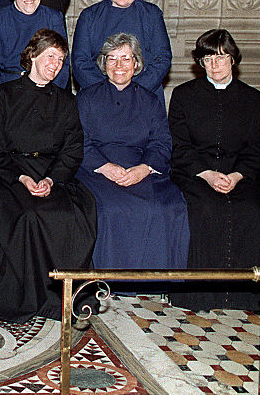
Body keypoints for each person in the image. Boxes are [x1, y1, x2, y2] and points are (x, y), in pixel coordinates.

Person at [0, 28, 96, 321]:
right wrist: (22, 178)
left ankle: (64, 300)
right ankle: (27, 299)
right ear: (32, 55)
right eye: (50, 56)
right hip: (8, 173)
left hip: (52, 173)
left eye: (61, 59)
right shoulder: (1, 95)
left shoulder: (67, 101)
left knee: (74, 214)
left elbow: (72, 150)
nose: (56, 64)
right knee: (27, 215)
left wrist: (52, 179)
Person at [167, 29, 260, 311]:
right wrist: (207, 174)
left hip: (242, 174)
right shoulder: (183, 96)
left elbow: (259, 147)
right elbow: (180, 146)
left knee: (251, 213)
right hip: (197, 173)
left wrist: (237, 175)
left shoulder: (253, 99)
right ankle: (200, 296)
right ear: (200, 63)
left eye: (222, 57)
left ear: (233, 60)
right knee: (205, 211)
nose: (215, 64)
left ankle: (246, 296)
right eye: (208, 58)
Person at [75, 33, 189, 272]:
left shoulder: (150, 101)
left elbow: (161, 143)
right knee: (111, 208)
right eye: (112, 59)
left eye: (126, 58)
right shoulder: (86, 98)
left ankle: (156, 276)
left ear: (136, 63)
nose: (119, 66)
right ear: (103, 63)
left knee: (168, 207)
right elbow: (79, 141)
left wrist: (143, 169)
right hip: (97, 170)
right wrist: (106, 168)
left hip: (141, 167)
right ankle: (112, 277)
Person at [72, 0, 171, 104]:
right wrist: (107, 93)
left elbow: (162, 59)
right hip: (99, 99)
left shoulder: (152, 15)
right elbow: (80, 62)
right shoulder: (89, 16)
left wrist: (134, 91)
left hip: (142, 98)